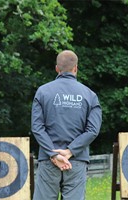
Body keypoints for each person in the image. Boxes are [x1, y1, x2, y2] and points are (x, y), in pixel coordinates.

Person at [31, 50, 102, 200]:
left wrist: (54, 154)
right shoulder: (90, 95)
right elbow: (93, 130)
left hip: (49, 160)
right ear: (76, 68)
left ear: (57, 68)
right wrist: (70, 152)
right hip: (76, 161)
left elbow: (37, 128)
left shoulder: (42, 92)